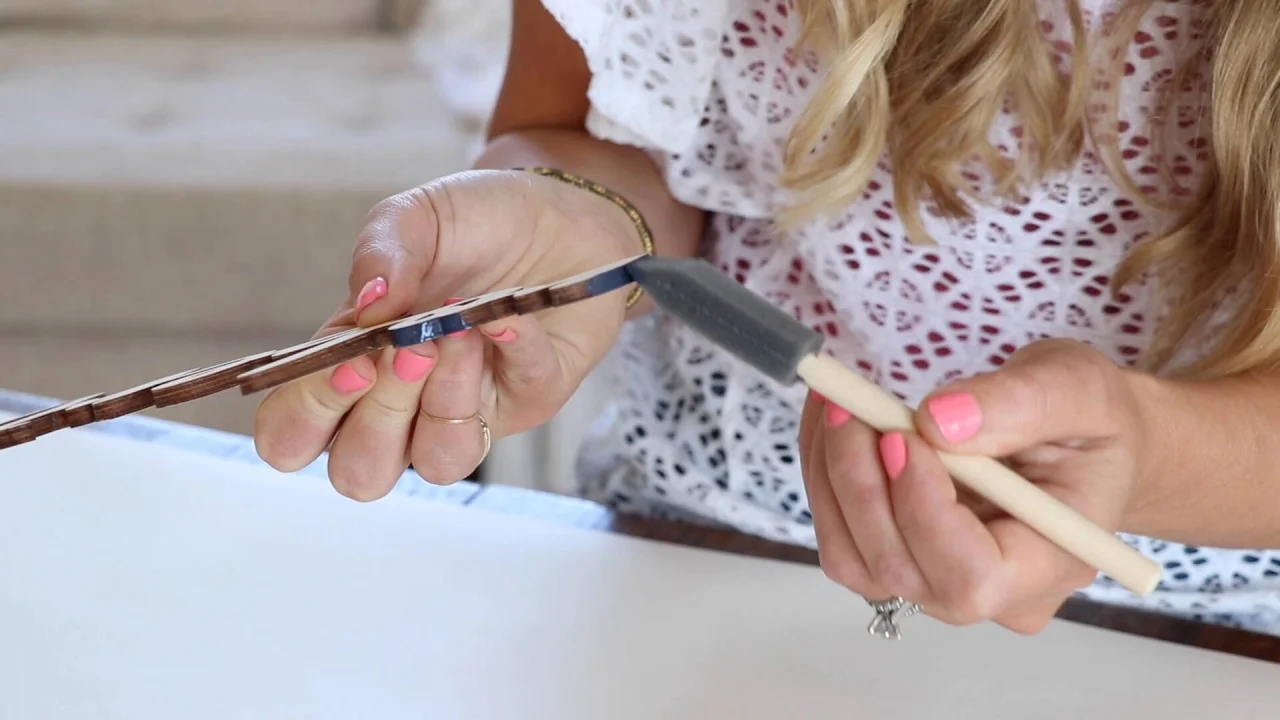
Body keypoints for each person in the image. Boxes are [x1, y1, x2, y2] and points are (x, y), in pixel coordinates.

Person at [251, 0, 1280, 637]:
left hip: (1212, 626)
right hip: (687, 554)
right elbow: (580, 129)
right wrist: (572, 211)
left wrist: (1143, 457)